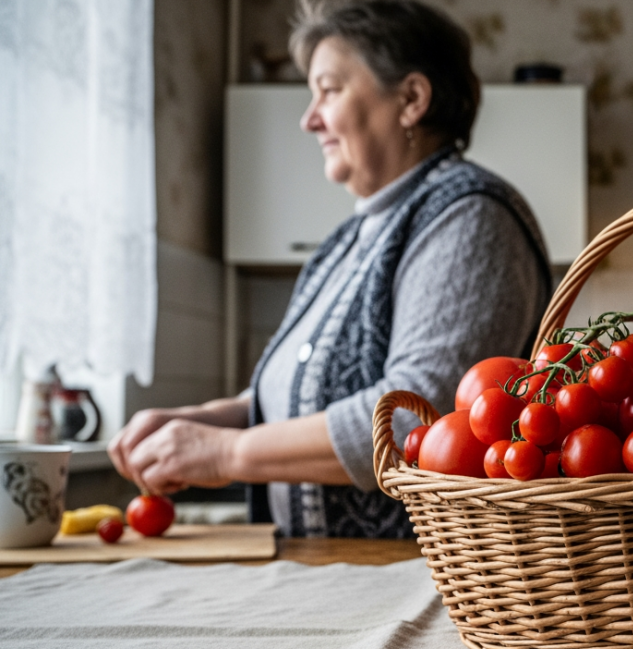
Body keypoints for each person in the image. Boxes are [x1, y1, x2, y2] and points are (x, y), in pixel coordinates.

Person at [109, 0, 551, 538]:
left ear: (411, 99)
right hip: (333, 572)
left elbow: (417, 416)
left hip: (410, 583)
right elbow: (298, 397)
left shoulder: (471, 216)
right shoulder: (349, 239)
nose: (308, 117)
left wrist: (226, 452)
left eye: (330, 89)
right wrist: (205, 420)